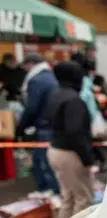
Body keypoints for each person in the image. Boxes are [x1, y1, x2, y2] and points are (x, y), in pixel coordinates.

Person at [46, 61, 94, 218]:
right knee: (83, 198)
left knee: (68, 197)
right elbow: (75, 132)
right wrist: (87, 158)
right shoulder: (73, 100)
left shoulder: (56, 94)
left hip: (55, 149)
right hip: (71, 153)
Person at [16, 53, 60, 194]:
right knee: (44, 159)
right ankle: (50, 189)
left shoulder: (36, 80)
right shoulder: (51, 77)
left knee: (42, 160)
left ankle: (47, 190)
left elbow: (32, 107)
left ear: (30, 64)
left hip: (43, 125)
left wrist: (21, 127)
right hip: (53, 124)